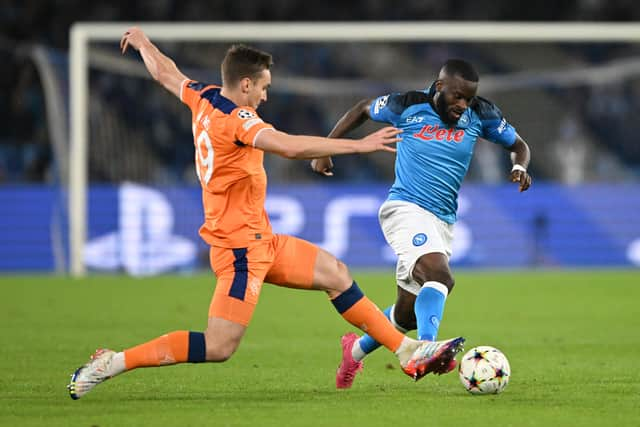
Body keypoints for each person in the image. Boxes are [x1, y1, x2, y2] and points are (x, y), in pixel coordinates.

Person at [67, 28, 465, 400]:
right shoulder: (238, 120)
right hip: (240, 252)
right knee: (219, 345)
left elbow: (166, 74)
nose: (265, 97)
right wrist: (359, 146)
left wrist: (143, 44)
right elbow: (287, 146)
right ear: (245, 84)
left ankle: (407, 350)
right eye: (263, 88)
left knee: (337, 275)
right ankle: (113, 362)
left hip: (262, 241)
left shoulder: (202, 96)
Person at [312, 59, 531, 389]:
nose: (463, 105)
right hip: (405, 208)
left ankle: (353, 352)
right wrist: (326, 149)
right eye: (458, 97)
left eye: (468, 99)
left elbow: (518, 146)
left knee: (405, 315)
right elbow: (362, 109)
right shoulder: (408, 104)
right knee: (440, 275)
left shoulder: (481, 114)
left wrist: (520, 167)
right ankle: (427, 350)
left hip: (442, 221)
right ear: (440, 87)